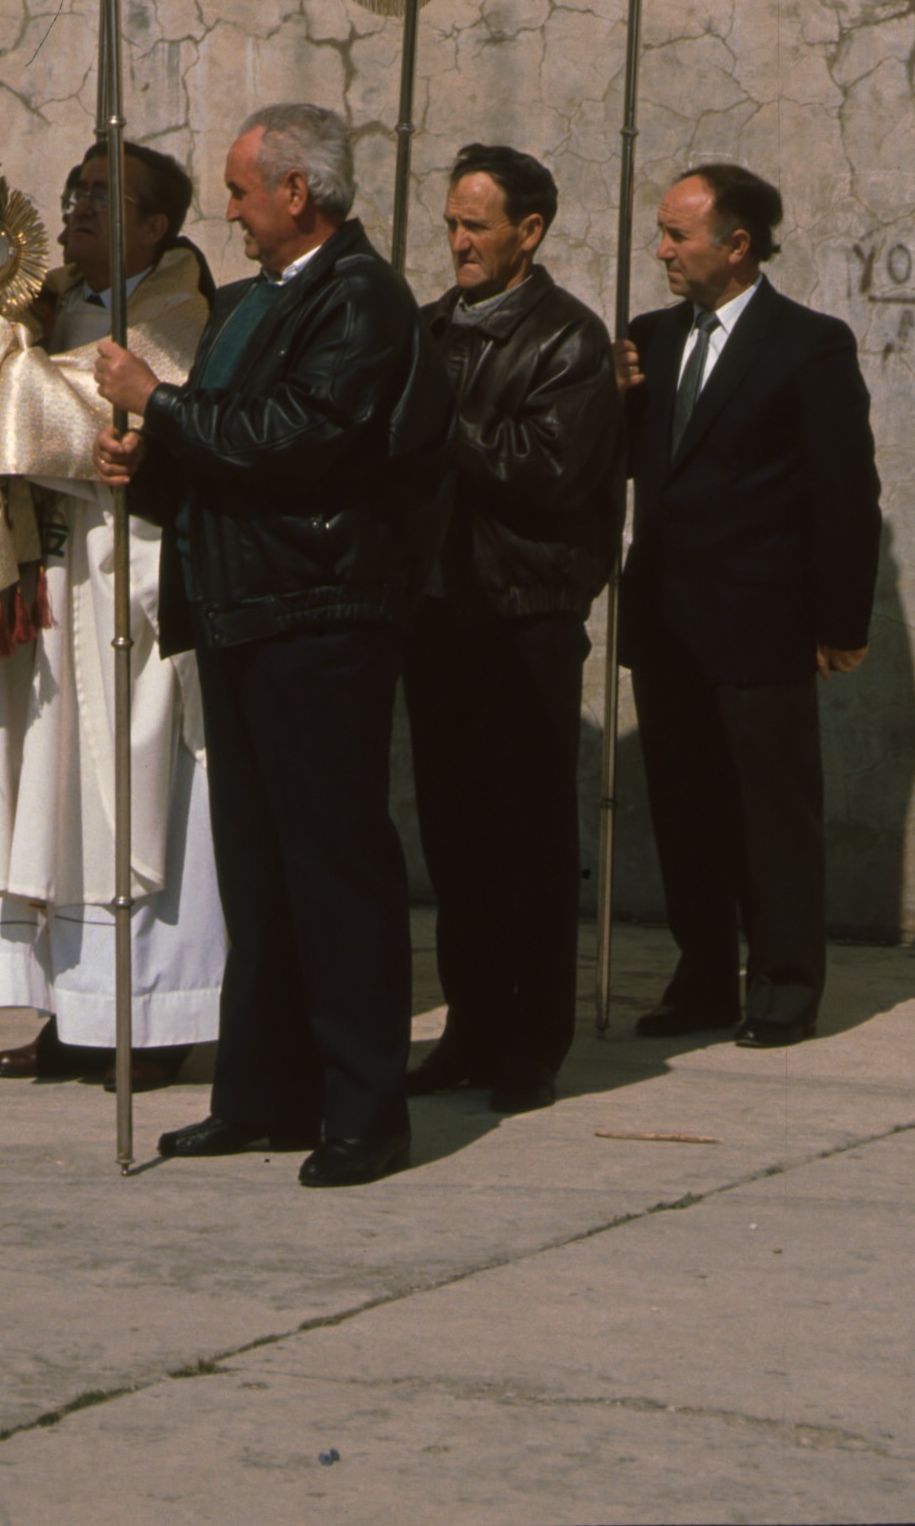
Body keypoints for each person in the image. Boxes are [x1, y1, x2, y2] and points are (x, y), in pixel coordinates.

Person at [95, 104, 453, 1187]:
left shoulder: (361, 298)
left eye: (242, 191)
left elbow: (299, 440)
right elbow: (221, 446)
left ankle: (363, 1110)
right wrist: (149, 460)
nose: (232, 212)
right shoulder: (250, 301)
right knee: (255, 875)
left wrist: (158, 404)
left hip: (319, 614)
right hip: (242, 607)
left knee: (332, 871)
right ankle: (263, 1094)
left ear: (298, 191)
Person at [0, 142, 224, 1087]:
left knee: (130, 797)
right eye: (74, 189)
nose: (77, 207)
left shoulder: (173, 315)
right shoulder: (45, 307)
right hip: (46, 583)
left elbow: (68, 417)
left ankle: (152, 1021)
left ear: (154, 226)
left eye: (103, 196)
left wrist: (6, 365)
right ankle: (70, 1010)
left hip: (124, 586)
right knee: (47, 791)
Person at [617, 164, 881, 1048]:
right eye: (660, 232)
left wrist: (840, 625)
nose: (660, 250)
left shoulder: (807, 344)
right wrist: (608, 398)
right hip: (666, 624)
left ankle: (782, 986)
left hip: (762, 627)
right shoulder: (648, 340)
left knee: (772, 817)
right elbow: (628, 462)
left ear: (735, 245)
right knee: (684, 813)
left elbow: (844, 495)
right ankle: (701, 980)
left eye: (676, 235)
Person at [402, 144, 622, 1114]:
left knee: (526, 838)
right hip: (437, 614)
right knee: (454, 839)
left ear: (527, 233)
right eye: (451, 222)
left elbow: (547, 467)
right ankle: (472, 1028)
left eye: (476, 225)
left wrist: (434, 422)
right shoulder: (426, 327)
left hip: (525, 615)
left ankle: (531, 1045)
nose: (458, 241)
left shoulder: (569, 339)